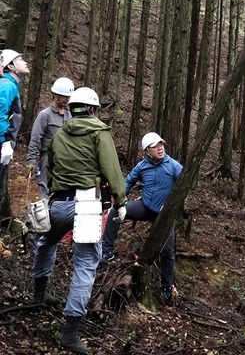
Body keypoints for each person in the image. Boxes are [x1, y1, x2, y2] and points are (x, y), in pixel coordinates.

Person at [31, 87, 126, 355]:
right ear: (93, 109)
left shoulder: (60, 134)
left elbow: (51, 167)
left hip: (59, 202)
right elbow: (112, 169)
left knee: (46, 242)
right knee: (85, 263)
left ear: (72, 108)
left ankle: (39, 294)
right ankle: (70, 333)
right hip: (87, 206)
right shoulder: (99, 132)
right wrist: (121, 202)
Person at [101, 132, 183, 305]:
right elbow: (127, 182)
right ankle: (106, 251)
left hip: (164, 214)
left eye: (161, 144)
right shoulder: (142, 166)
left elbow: (184, 187)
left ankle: (167, 288)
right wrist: (121, 202)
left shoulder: (174, 166)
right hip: (145, 207)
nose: (160, 148)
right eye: (155, 146)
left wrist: (171, 206)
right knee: (115, 212)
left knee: (167, 251)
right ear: (147, 151)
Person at [28, 77, 75, 200]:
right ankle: (45, 216)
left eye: (68, 97)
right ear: (55, 95)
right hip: (47, 159)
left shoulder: (70, 115)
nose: (67, 99)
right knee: (45, 189)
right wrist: (32, 160)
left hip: (66, 160)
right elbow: (35, 138)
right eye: (64, 96)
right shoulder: (45, 115)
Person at [0, 49, 29, 209]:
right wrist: (4, 141)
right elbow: (0, 113)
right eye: (20, 59)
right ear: (10, 66)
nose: (25, 62)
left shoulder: (11, 85)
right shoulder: (6, 86)